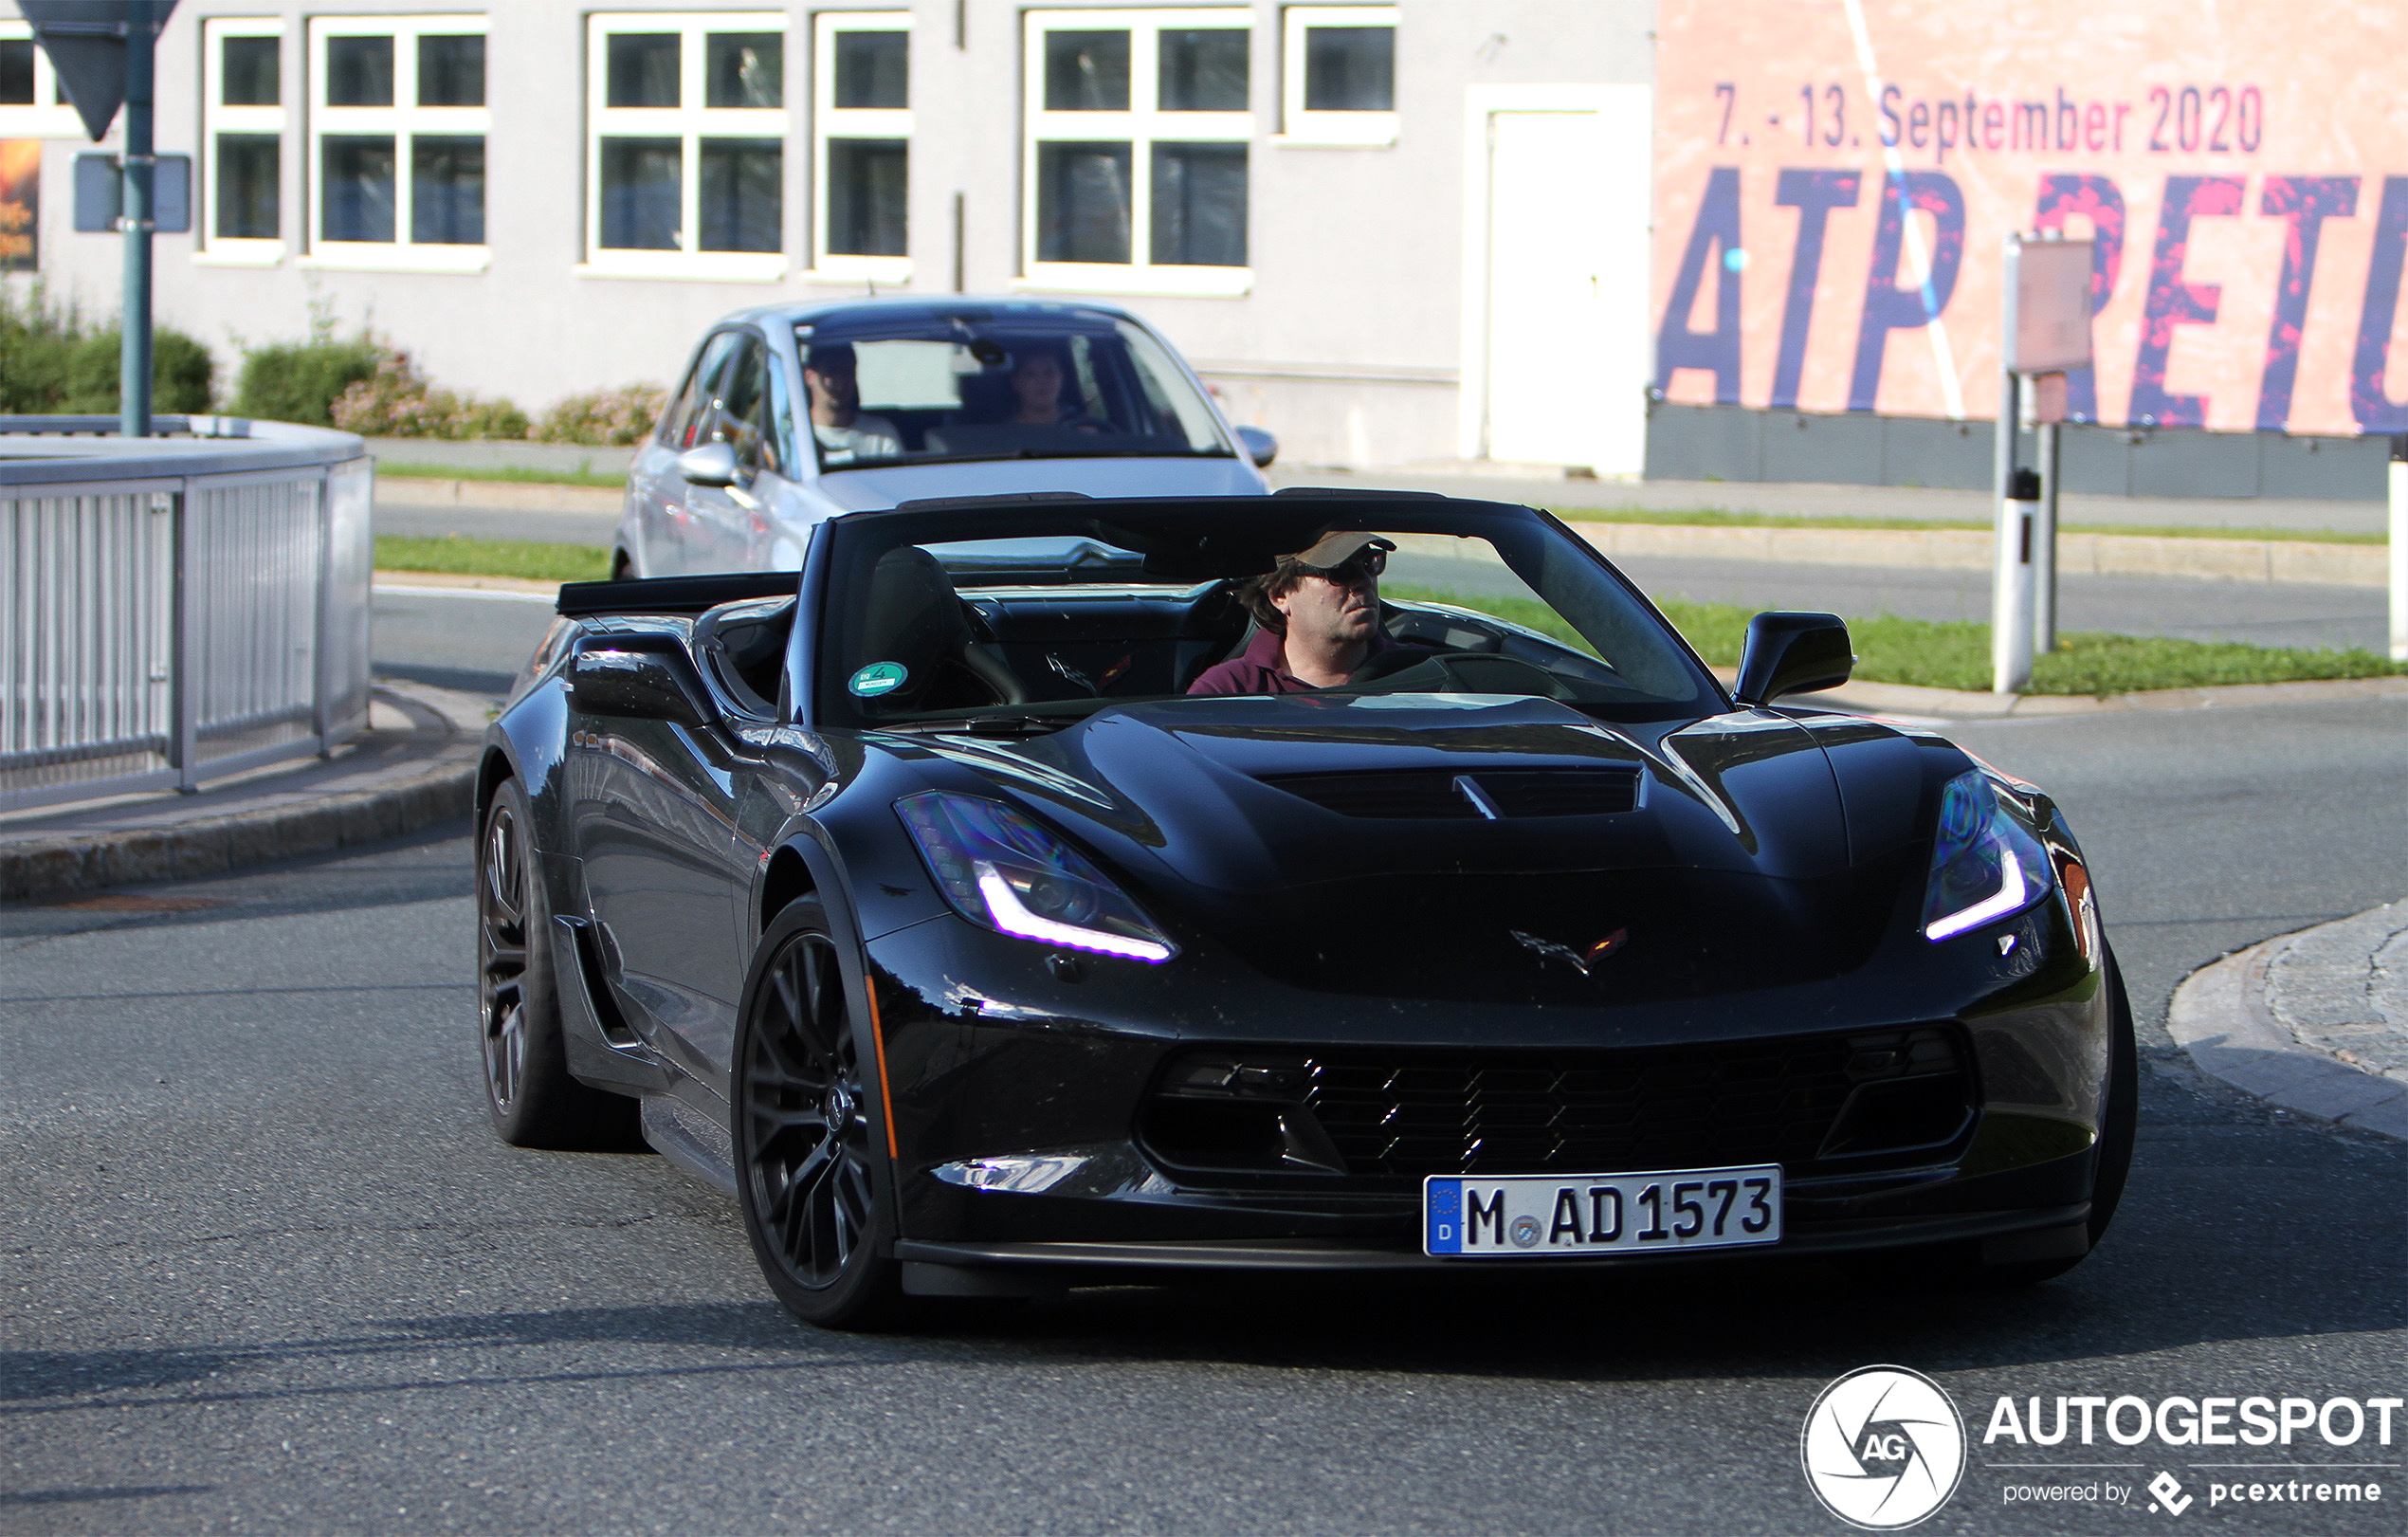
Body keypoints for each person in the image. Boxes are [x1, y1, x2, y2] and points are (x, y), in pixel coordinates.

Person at [1188, 533, 1411, 695]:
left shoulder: (1422, 674)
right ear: (1279, 596)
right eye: (1340, 570)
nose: (1364, 580)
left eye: (1368, 563)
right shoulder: (1226, 691)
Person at [803, 343, 903, 464]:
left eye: (847, 373)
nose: (840, 384)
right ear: (809, 376)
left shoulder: (882, 435)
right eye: (831, 373)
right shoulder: (795, 436)